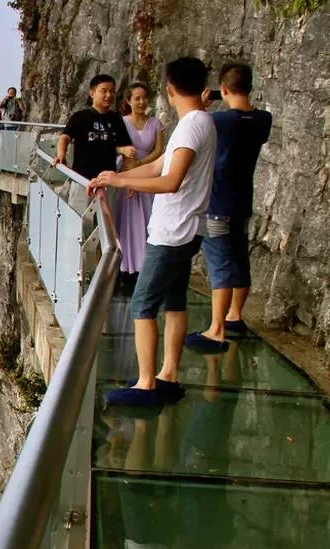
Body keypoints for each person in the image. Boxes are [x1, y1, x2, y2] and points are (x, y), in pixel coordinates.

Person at [87, 57, 217, 407]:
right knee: (174, 301)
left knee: (143, 304)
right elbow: (160, 164)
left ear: (170, 88)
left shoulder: (191, 126)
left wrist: (124, 180)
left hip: (172, 231)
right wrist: (118, 178)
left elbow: (171, 180)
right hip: (188, 229)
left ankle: (146, 384)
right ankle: (168, 375)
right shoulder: (199, 122)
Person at [184, 63, 272, 353]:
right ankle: (235, 316)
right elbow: (246, 115)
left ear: (223, 89)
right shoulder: (263, 120)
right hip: (242, 202)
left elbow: (191, 124)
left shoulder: (219, 121)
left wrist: (203, 103)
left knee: (219, 264)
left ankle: (216, 329)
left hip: (217, 202)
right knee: (239, 258)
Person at [116, 83, 165, 292]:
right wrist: (125, 153)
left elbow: (159, 150)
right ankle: (126, 267)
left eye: (144, 98)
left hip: (148, 172)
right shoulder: (122, 123)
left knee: (147, 219)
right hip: (126, 172)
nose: (141, 102)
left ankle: (145, 266)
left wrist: (142, 164)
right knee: (127, 221)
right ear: (128, 100)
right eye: (137, 98)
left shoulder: (156, 124)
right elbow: (115, 145)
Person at [53, 74, 136, 181]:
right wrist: (61, 154)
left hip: (107, 180)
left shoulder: (116, 119)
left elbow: (126, 148)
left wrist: (129, 177)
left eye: (112, 91)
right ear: (92, 93)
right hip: (81, 180)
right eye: (104, 91)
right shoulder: (80, 116)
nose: (109, 95)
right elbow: (65, 137)